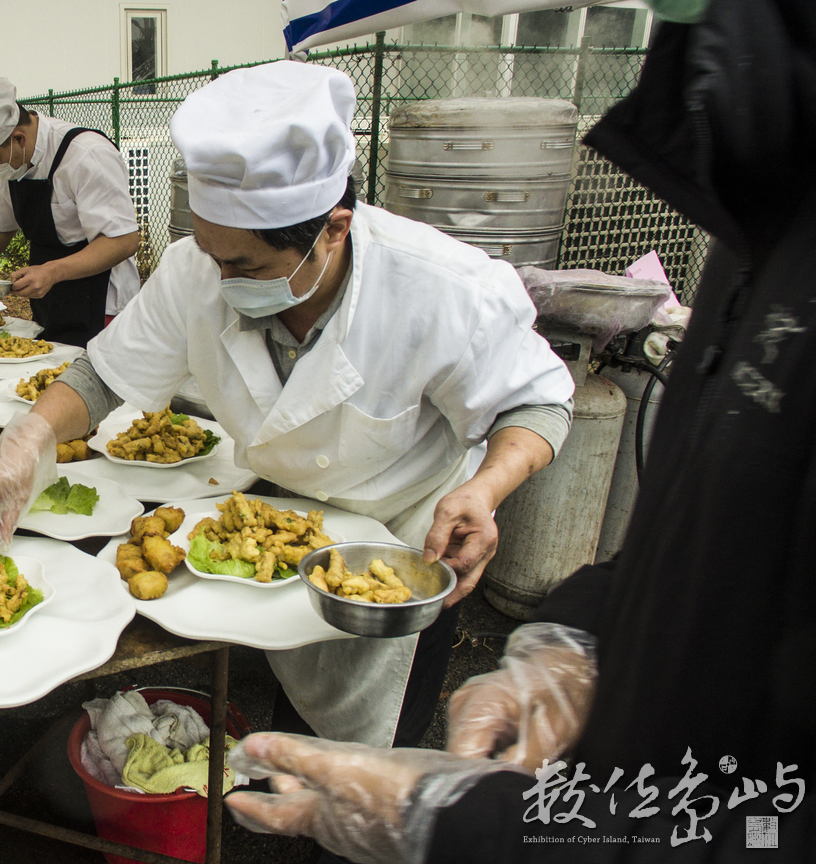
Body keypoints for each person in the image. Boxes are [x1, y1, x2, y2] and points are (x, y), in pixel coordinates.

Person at [218, 0, 815, 860]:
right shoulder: (766, 212)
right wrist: (581, 643)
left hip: (415, 576)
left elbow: (765, 830)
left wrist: (481, 830)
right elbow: (719, 539)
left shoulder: (440, 280)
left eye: (243, 262)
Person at [0, 61, 575, 750]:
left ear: (333, 229)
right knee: (292, 716)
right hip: (281, 525)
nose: (222, 279)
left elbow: (538, 402)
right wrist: (28, 438)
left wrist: (488, 490)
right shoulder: (199, 269)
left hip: (397, 543)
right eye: (213, 254)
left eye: (245, 266)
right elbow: (103, 376)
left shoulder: (439, 285)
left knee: (373, 752)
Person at [0, 78, 141, 346]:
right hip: (50, 302)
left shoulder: (86, 155)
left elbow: (123, 240)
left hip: (102, 306)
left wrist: (53, 272)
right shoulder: (10, 161)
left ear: (18, 139)